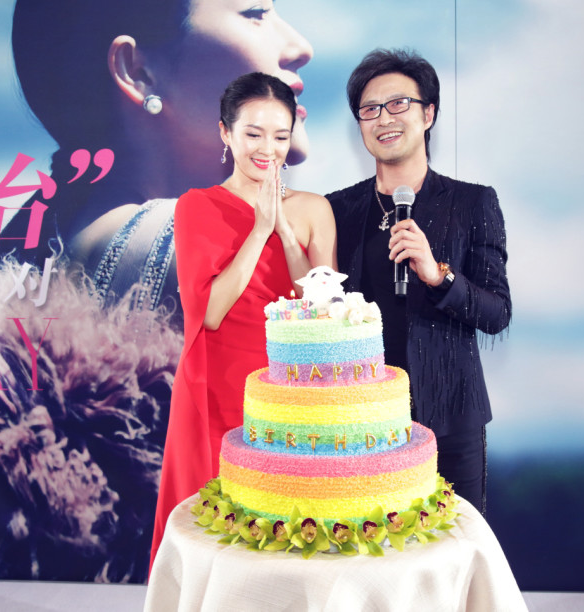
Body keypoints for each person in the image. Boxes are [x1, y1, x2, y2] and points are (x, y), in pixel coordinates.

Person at [0, 0, 313, 319]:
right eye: (256, 13)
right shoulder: (205, 250)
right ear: (138, 72)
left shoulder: (57, 246)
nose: (300, 47)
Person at [150, 72, 336, 567]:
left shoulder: (316, 208)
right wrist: (258, 232)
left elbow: (322, 310)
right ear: (225, 133)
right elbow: (208, 313)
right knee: (220, 536)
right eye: (253, 133)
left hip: (292, 386)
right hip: (218, 387)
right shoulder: (196, 206)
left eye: (280, 135)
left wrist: (288, 237)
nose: (267, 149)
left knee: (292, 532)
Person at [326, 48, 511, 515]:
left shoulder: (473, 203)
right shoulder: (338, 210)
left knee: (455, 552)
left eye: (398, 104)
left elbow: (497, 313)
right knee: (373, 553)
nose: (383, 118)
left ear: (428, 113)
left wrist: (438, 274)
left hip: (452, 418)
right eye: (369, 109)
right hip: (365, 419)